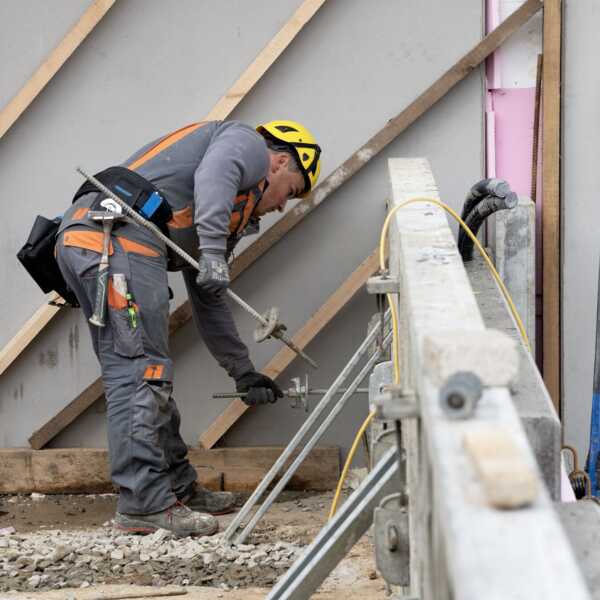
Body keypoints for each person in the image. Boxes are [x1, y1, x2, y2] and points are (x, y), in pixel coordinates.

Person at [55, 120, 322, 537]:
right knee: (141, 373)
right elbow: (217, 170)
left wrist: (242, 371)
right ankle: (144, 503)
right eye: (290, 191)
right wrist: (213, 250)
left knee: (146, 373)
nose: (281, 206)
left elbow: (209, 297)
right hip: (116, 241)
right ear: (280, 163)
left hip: (99, 241)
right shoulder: (246, 144)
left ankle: (177, 489)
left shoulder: (222, 211)